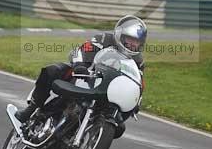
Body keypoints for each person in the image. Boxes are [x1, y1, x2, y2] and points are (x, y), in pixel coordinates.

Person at [15, 16, 148, 123]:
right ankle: (32, 108)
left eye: (136, 42)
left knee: (120, 124)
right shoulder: (103, 39)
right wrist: (80, 66)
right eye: (130, 39)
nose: (132, 44)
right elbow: (81, 50)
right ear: (120, 35)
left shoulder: (138, 60)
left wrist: (137, 100)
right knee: (52, 71)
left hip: (107, 91)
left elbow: (138, 82)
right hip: (84, 76)